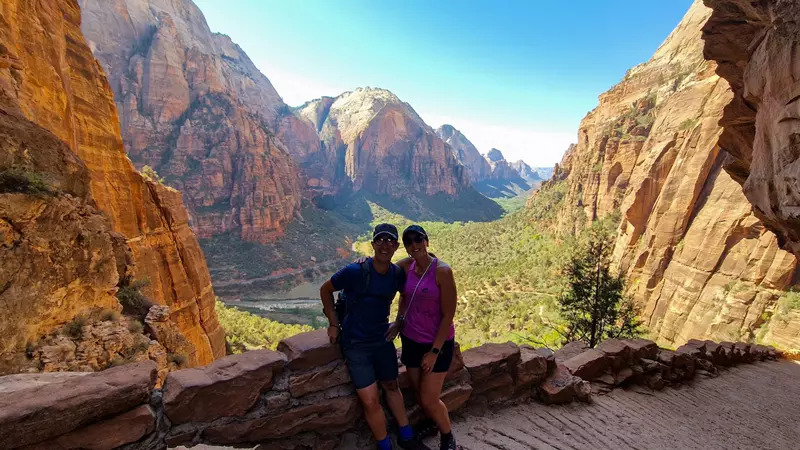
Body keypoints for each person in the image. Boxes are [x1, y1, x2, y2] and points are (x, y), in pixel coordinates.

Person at [320, 223, 429, 450]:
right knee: (370, 400)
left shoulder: (396, 274)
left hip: (382, 341)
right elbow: (325, 289)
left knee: (391, 386)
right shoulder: (354, 271)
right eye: (380, 240)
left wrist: (399, 322)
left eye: (390, 241)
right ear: (372, 244)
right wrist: (333, 323)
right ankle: (384, 446)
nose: (385, 245)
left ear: (397, 246)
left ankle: (407, 437)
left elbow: (407, 293)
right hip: (355, 345)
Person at [387, 225, 460, 450]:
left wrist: (434, 353)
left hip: (436, 345)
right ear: (406, 248)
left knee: (429, 398)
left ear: (426, 241)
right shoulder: (407, 266)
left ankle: (448, 436)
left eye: (418, 239)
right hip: (410, 340)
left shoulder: (442, 271)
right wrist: (399, 321)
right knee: (420, 393)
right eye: (409, 242)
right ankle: (433, 423)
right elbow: (384, 272)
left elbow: (448, 315)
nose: (414, 245)